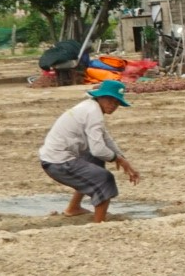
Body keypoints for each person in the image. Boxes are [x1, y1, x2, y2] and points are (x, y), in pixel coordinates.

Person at [39, 79, 142, 223]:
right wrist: (118, 160)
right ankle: (98, 225)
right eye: (109, 100)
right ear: (100, 97)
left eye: (117, 102)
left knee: (95, 160)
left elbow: (106, 139)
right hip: (58, 162)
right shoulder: (93, 113)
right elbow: (98, 149)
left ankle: (73, 208)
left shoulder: (90, 107)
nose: (113, 105)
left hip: (54, 158)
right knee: (104, 179)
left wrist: (124, 160)